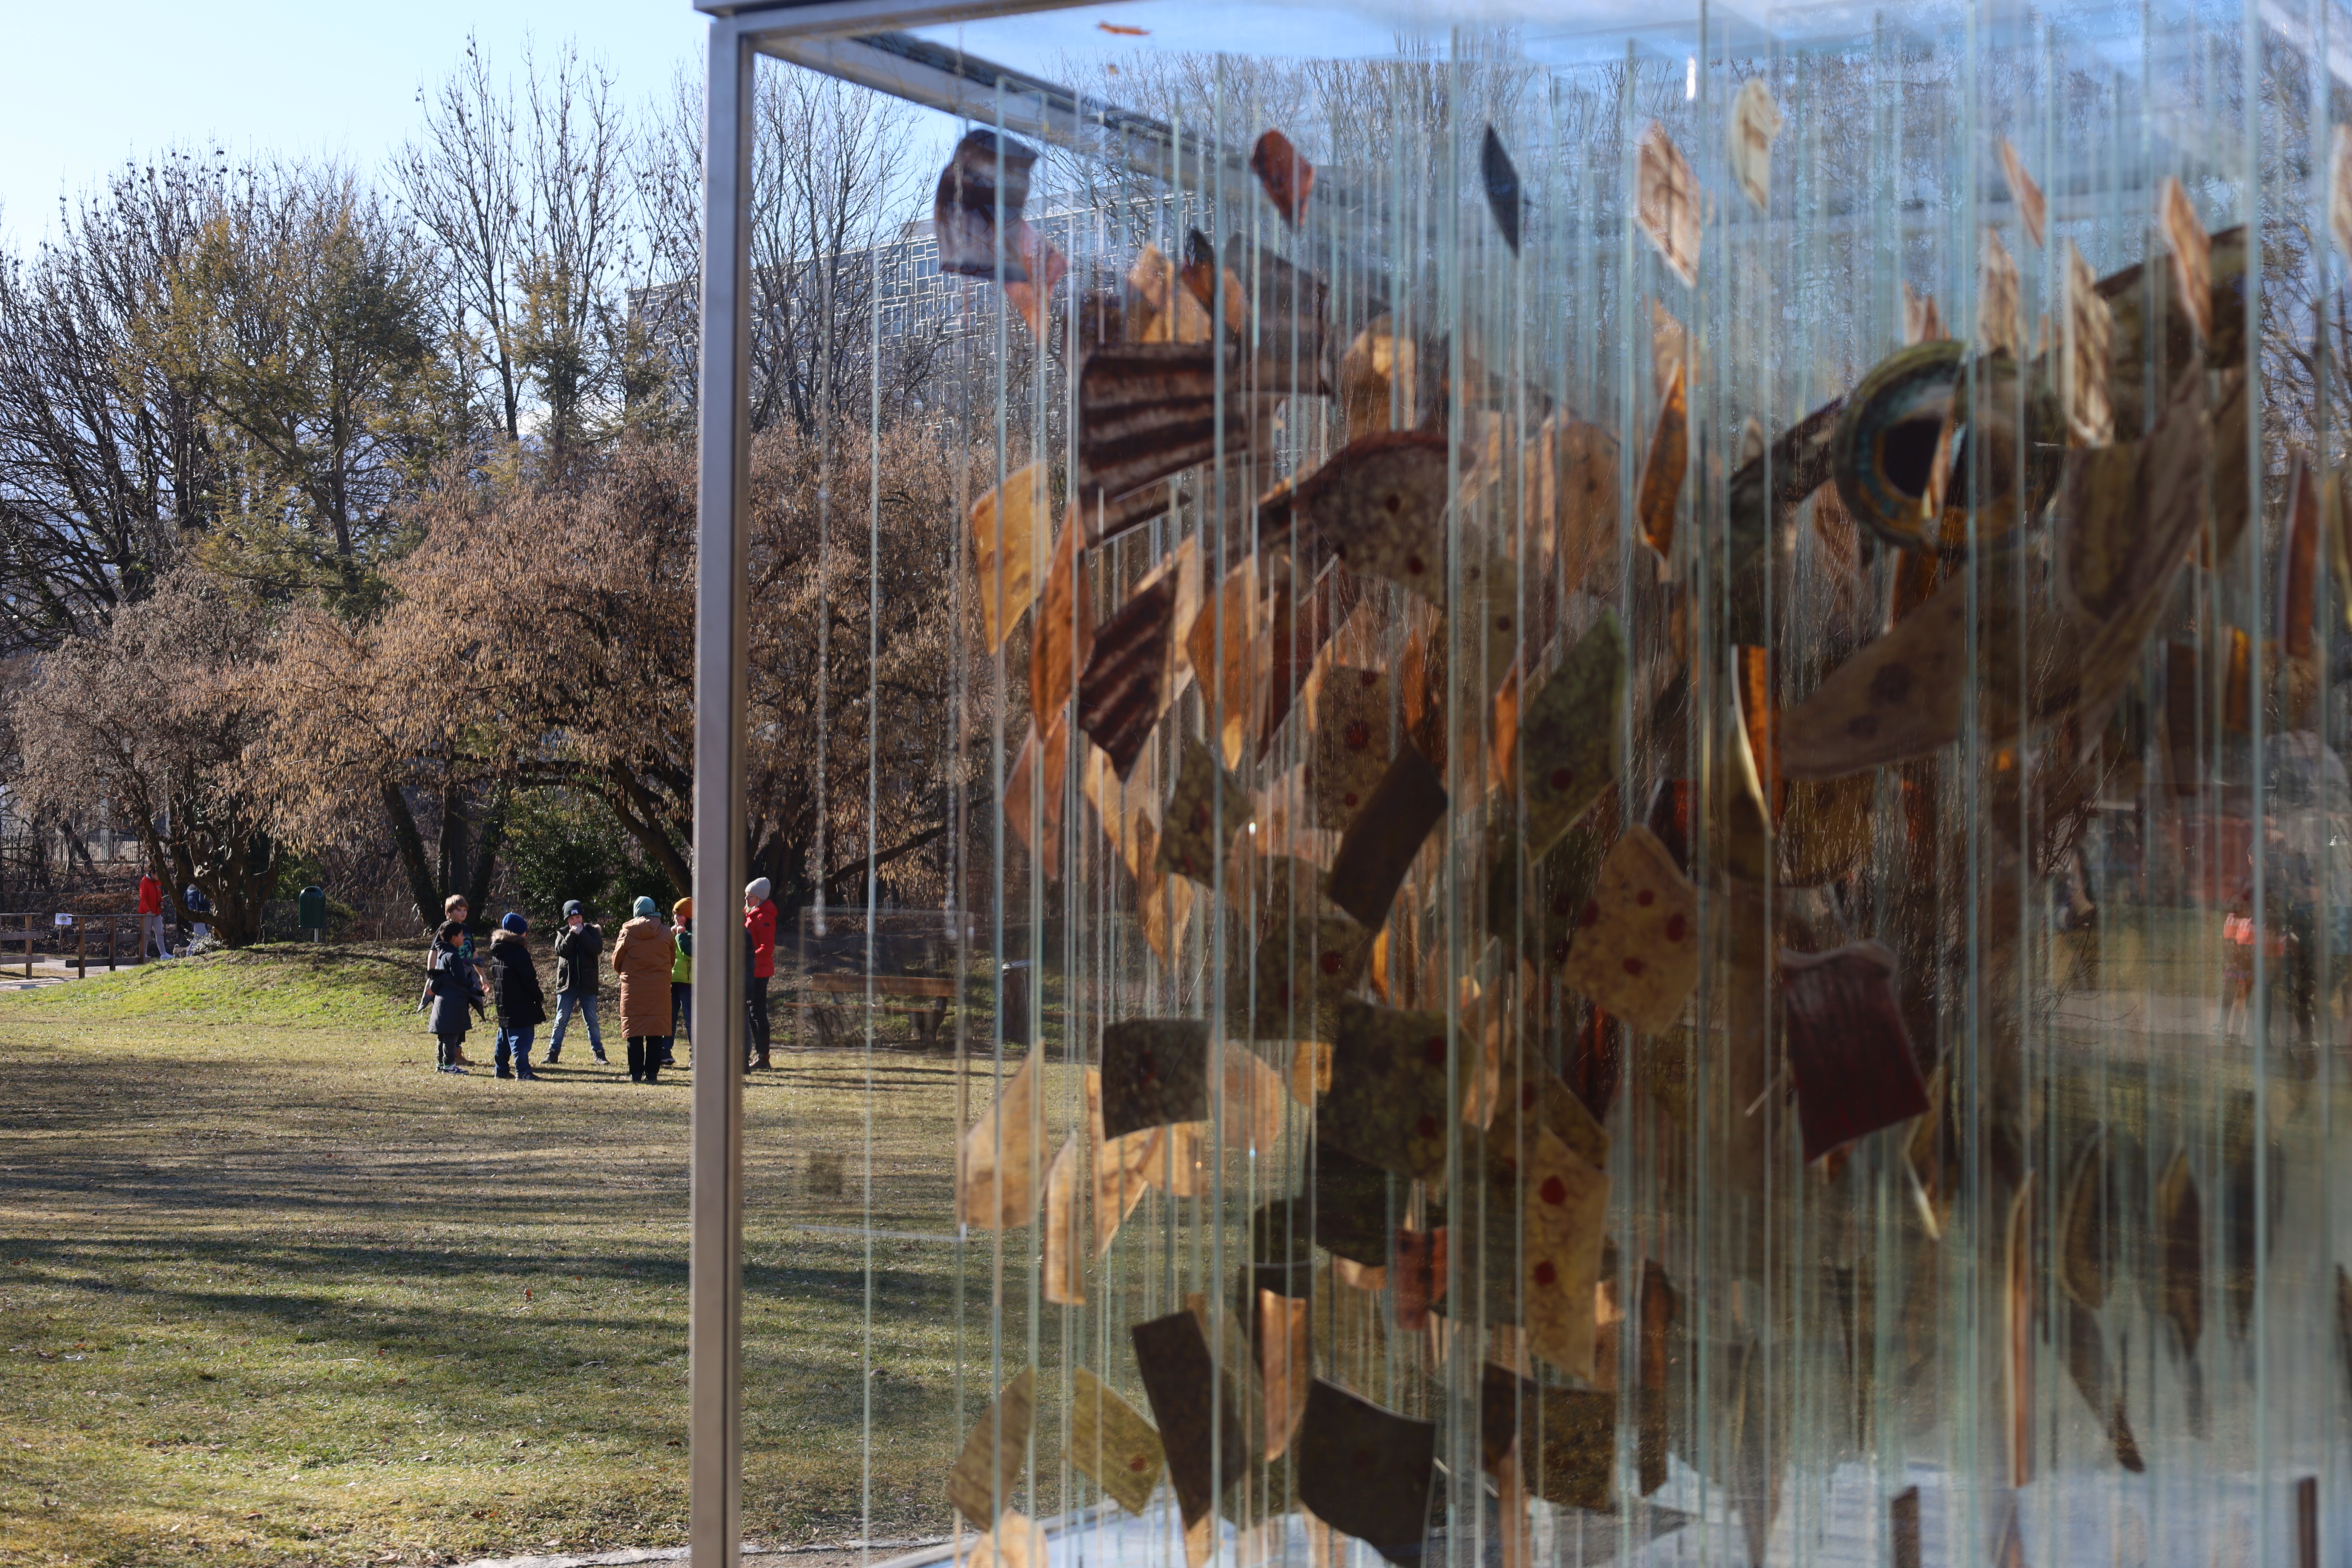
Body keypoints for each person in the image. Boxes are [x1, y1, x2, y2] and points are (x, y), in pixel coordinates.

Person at [611, 896, 678, 1083]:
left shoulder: (627, 932)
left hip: (633, 988)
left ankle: (635, 1074)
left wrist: (628, 974)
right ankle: (652, 1074)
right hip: (660, 989)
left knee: (634, 1032)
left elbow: (617, 961)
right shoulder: (666, 933)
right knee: (656, 1032)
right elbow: (671, 960)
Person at [546, 899, 608, 1065]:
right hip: (568, 984)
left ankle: (599, 1053)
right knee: (561, 1019)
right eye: (572, 920)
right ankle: (553, 1052)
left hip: (588, 983)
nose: (575, 922)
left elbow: (596, 949)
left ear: (582, 917)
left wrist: (583, 934)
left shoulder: (592, 931)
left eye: (578, 918)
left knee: (592, 1020)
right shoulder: (562, 933)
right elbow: (562, 951)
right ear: (567, 921)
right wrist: (573, 935)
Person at [488, 912, 547, 1081]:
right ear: (520, 933)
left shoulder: (498, 951)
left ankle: (501, 1069)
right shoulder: (519, 952)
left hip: (503, 1001)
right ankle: (523, 1071)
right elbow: (529, 978)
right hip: (520, 1002)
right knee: (521, 1038)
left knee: (504, 1036)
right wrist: (538, 996)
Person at [424, 918, 487, 1074]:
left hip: (442, 1000)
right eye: (461, 935)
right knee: (451, 1036)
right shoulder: (453, 956)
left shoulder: (442, 954)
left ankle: (441, 1063)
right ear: (454, 938)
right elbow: (460, 979)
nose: (464, 938)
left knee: (442, 1035)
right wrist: (474, 987)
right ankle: (449, 1065)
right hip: (453, 1001)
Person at [743, 877, 778, 1070]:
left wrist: (747, 957)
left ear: (760, 899)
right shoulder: (750, 914)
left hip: (758, 971)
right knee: (750, 1013)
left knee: (757, 1013)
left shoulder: (765, 917)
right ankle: (758, 1054)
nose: (747, 898)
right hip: (750, 970)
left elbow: (766, 948)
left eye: (751, 896)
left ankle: (763, 1055)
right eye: (747, 895)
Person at [668, 897, 694, 1069]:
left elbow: (690, 952)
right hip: (672, 981)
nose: (678, 919)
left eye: (682, 915)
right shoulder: (673, 932)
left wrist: (681, 935)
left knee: (691, 1020)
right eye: (676, 915)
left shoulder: (693, 933)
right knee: (668, 1018)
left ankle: (697, 1055)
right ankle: (664, 1052)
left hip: (689, 982)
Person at [137, 867, 169, 961]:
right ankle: (143, 954)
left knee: (160, 933)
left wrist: (161, 902)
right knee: (146, 934)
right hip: (146, 914)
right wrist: (148, 911)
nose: (159, 877)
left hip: (157, 913)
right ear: (153, 873)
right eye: (157, 875)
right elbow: (143, 898)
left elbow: (158, 897)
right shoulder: (145, 883)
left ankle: (163, 954)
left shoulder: (158, 883)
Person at [183, 881, 212, 946]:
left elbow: (185, 900)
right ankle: (189, 953)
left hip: (192, 916)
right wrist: (209, 904)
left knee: (206, 936)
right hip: (200, 916)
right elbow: (202, 901)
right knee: (197, 938)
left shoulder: (190, 887)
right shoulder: (200, 887)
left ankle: (209, 951)